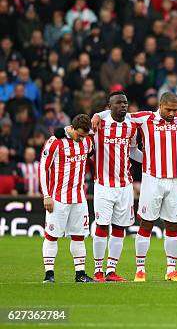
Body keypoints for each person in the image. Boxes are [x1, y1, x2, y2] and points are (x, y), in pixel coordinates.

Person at [95, 92, 177, 282]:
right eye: (169, 110)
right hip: (152, 179)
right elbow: (120, 114)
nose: (173, 113)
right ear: (160, 106)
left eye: (175, 109)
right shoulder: (145, 118)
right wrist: (98, 115)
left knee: (173, 225)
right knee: (146, 223)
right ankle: (140, 270)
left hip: (174, 180)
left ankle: (171, 270)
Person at [87, 92, 142, 282]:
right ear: (109, 106)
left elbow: (133, 151)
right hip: (103, 184)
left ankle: (111, 270)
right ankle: (97, 271)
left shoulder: (131, 126)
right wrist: (97, 115)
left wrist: (151, 161)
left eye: (125, 102)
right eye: (118, 103)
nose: (123, 106)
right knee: (102, 226)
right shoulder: (98, 124)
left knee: (120, 227)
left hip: (125, 185)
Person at [40, 114, 95, 283]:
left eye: (84, 135)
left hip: (79, 198)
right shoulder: (55, 142)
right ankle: (49, 274)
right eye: (79, 135)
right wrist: (46, 195)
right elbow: (43, 168)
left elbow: (92, 151)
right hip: (58, 198)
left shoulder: (87, 141)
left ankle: (80, 274)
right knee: (52, 236)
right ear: (71, 128)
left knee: (79, 236)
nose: (81, 139)